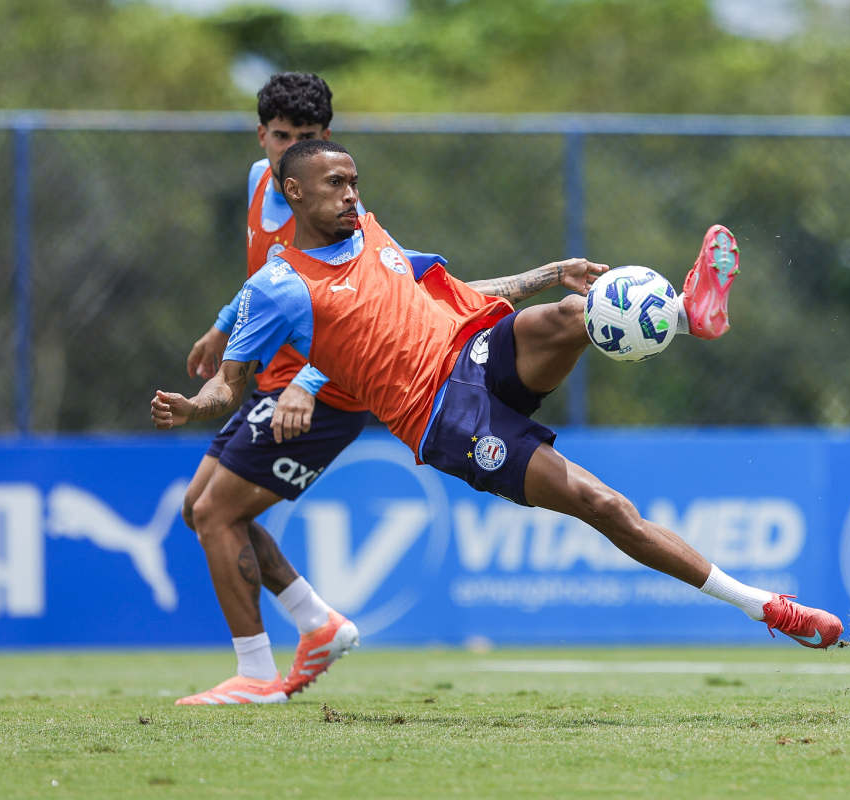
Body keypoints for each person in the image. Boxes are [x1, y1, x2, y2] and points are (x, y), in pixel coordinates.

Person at [151, 140, 844, 658]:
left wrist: (551, 272)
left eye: (355, 182)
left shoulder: (371, 234)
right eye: (335, 184)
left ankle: (692, 316)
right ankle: (767, 608)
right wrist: (193, 407)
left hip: (473, 349)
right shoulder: (278, 287)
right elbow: (231, 386)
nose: (351, 194)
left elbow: (460, 293)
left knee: (581, 310)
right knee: (605, 507)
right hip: (446, 419)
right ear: (292, 193)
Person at [176, 75, 609, 706]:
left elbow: (372, 313)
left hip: (323, 389)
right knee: (199, 508)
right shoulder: (260, 184)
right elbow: (264, 278)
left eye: (306, 137)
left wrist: (306, 380)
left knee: (218, 514)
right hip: (272, 376)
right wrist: (222, 326)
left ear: (324, 141)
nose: (288, 147)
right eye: (280, 136)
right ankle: (318, 622)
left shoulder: (340, 210)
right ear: (261, 135)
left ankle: (258, 672)